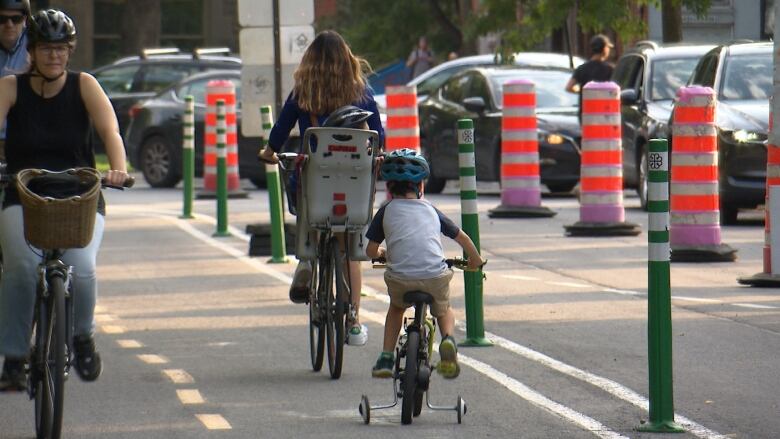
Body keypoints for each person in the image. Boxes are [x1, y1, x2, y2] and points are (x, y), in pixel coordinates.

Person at [0, 9, 130, 391]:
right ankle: (14, 356)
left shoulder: (84, 85)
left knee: (82, 266)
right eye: (45, 49)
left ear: (69, 51)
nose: (53, 56)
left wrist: (118, 169)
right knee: (21, 267)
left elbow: (111, 132)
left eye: (61, 49)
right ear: (33, 51)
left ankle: (82, 337)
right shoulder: (10, 88)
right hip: (22, 195)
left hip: (80, 196)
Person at [258, 30, 383, 347]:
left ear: (309, 63)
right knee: (350, 252)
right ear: (348, 61)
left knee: (306, 203)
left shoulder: (303, 93)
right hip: (354, 184)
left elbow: (280, 131)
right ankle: (354, 319)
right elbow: (379, 137)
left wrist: (270, 153)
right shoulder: (361, 94)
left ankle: (307, 260)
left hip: (316, 182)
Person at [365, 149, 484, 379]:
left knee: (397, 308)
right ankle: (448, 340)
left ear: (389, 188)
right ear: (420, 186)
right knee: (443, 309)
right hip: (434, 277)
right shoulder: (430, 209)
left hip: (400, 279)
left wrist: (383, 253)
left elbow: (370, 250)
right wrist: (475, 262)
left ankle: (386, 357)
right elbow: (462, 237)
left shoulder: (386, 210)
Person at [0, 0, 30, 160]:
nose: (9, 24)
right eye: (2, 19)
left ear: (25, 20)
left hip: (27, 139)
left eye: (16, 19)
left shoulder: (37, 46)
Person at [565, 34, 615, 121]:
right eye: (608, 48)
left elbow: (569, 87)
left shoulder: (582, 68)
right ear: (604, 49)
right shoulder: (610, 69)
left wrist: (582, 91)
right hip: (604, 114)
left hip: (586, 114)